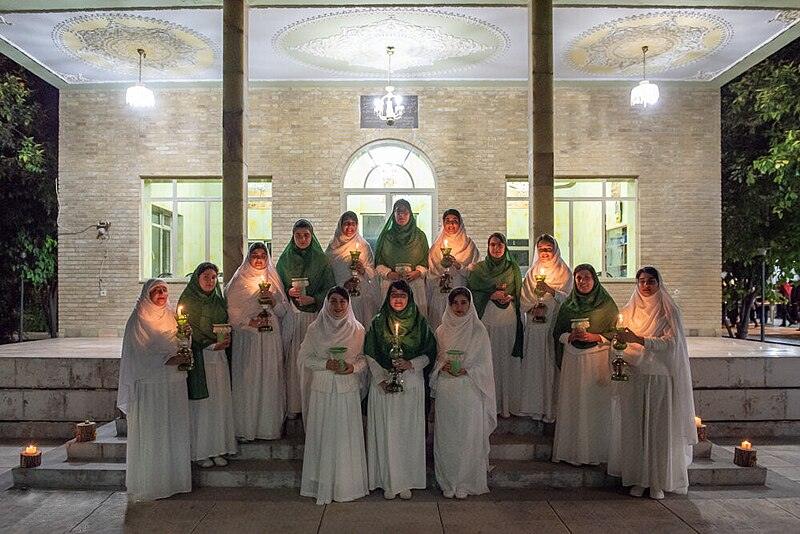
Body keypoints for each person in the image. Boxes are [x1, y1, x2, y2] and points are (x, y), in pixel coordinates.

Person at [608, 267, 697, 499]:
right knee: (636, 428)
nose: (646, 286)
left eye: (650, 281)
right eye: (642, 281)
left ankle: (657, 480)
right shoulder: (630, 309)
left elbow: (672, 343)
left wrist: (639, 339)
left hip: (659, 376)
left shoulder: (668, 310)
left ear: (659, 283)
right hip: (636, 374)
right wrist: (621, 346)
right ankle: (639, 478)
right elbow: (619, 337)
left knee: (658, 429)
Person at [118, 279, 191, 501]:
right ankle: (152, 484)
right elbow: (139, 354)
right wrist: (168, 359)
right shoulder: (138, 319)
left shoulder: (171, 315)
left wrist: (186, 335)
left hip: (173, 384)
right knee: (154, 434)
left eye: (164, 290)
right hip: (150, 388)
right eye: (156, 290)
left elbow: (182, 345)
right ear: (146, 294)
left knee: (172, 431)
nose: (161, 294)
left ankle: (174, 481)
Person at [365, 280, 437, 500]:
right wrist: (381, 379)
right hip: (384, 385)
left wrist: (411, 364)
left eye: (403, 295)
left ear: (410, 298)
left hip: (411, 384)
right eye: (394, 294)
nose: (398, 299)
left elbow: (430, 353)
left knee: (407, 433)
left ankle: (406, 479)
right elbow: (369, 353)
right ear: (388, 297)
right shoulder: (378, 322)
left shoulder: (420, 322)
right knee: (387, 432)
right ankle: (387, 479)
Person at [300, 287, 368, 505]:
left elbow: (363, 359)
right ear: (327, 303)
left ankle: (347, 485)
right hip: (322, 389)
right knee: (324, 435)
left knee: (345, 437)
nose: (338, 306)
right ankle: (322, 483)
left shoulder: (357, 329)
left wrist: (352, 368)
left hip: (346, 389)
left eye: (342, 302)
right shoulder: (315, 328)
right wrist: (324, 363)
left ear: (349, 304)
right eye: (334, 301)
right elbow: (304, 358)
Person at [431, 287, 496, 499]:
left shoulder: (478, 330)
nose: (459, 307)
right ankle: (448, 481)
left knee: (468, 436)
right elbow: (438, 358)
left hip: (470, 389)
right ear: (449, 305)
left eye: (463, 303)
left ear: (470, 305)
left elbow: (485, 364)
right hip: (447, 389)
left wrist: (467, 368)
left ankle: (466, 482)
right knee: (447, 437)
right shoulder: (441, 330)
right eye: (455, 303)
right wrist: (443, 365)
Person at [551, 264, 618, 466]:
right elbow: (557, 333)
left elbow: (616, 332)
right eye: (578, 278)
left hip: (596, 359)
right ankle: (572, 452)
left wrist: (595, 336)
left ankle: (595, 453)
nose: (582, 281)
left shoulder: (607, 305)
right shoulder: (568, 305)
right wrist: (569, 336)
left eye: (587, 277)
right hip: (573, 359)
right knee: (573, 404)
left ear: (594, 280)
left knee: (594, 406)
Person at [225, 242, 289, 442]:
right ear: (249, 257)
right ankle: (246, 427)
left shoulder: (273, 278)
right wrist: (249, 321)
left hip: (270, 338)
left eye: (263, 255)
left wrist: (273, 301)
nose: (259, 259)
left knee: (269, 379)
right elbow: (232, 311)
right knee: (249, 380)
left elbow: (283, 310)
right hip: (249, 338)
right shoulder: (239, 280)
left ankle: (268, 427)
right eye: (255, 255)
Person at [276, 219, 336, 419]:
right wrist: (288, 291)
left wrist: (314, 298)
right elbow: (277, 290)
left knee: (314, 360)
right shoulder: (284, 261)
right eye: (298, 236)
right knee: (295, 363)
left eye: (306, 235)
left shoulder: (322, 260)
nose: (302, 239)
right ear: (293, 237)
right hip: (294, 316)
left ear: (312, 236)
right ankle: (295, 406)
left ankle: (314, 406)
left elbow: (331, 289)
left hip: (314, 318)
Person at [178, 263, 237, 468]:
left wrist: (226, 338)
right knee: (203, 408)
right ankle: (202, 451)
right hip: (201, 359)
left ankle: (218, 448)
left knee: (219, 405)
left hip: (219, 360)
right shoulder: (188, 301)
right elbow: (186, 331)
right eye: (206, 277)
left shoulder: (219, 301)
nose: (210, 281)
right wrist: (210, 344)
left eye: (214, 277)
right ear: (197, 278)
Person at [467, 233, 523, 418]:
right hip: (487, 319)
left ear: (505, 247)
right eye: (492, 245)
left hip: (507, 321)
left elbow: (518, 292)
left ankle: (506, 405)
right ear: (488, 247)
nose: (496, 248)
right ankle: (487, 405)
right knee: (488, 360)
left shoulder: (512, 268)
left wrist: (509, 297)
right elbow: (472, 292)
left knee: (505, 361)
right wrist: (490, 295)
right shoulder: (480, 269)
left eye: (500, 245)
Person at [517, 235, 573, 422]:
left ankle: (550, 408)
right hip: (535, 326)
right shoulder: (532, 272)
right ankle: (533, 407)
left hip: (552, 324)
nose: (545, 253)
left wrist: (551, 290)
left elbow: (569, 298)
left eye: (548, 249)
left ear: (555, 250)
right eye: (541, 249)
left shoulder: (564, 272)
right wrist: (532, 307)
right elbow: (524, 298)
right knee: (534, 366)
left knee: (549, 364)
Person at [374, 199, 430, 319]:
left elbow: (426, 261)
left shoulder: (420, 236)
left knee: (414, 321)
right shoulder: (386, 237)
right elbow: (378, 262)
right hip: (391, 285)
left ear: (410, 214)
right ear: (393, 214)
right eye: (398, 212)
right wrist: (388, 274)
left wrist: (418, 272)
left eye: (405, 212)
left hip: (414, 285)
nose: (401, 215)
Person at [426, 209, 480, 332]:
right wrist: (442, 270)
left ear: (460, 223)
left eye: (454, 221)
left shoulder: (469, 245)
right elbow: (431, 272)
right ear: (443, 224)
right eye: (447, 221)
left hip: (460, 293)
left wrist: (457, 265)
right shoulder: (436, 246)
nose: (451, 225)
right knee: (440, 329)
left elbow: (473, 272)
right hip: (440, 295)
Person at [325, 211, 378, 328]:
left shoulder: (364, 246)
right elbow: (327, 274)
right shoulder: (333, 247)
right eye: (346, 223)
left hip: (360, 297)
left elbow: (373, 272)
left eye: (353, 224)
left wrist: (363, 269)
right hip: (339, 297)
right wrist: (343, 285)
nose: (350, 227)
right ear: (340, 225)